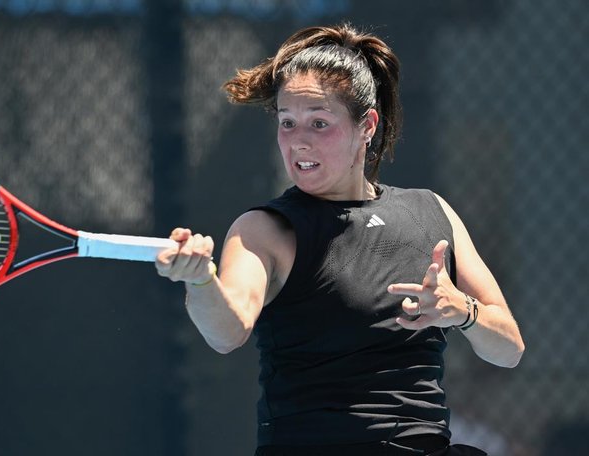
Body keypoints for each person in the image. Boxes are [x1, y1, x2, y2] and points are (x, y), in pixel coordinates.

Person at [155, 23, 525, 455]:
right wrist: (200, 279)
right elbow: (226, 332)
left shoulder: (432, 210)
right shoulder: (264, 229)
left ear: (366, 126)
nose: (298, 141)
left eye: (319, 123)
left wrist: (461, 310)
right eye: (287, 123)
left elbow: (509, 349)